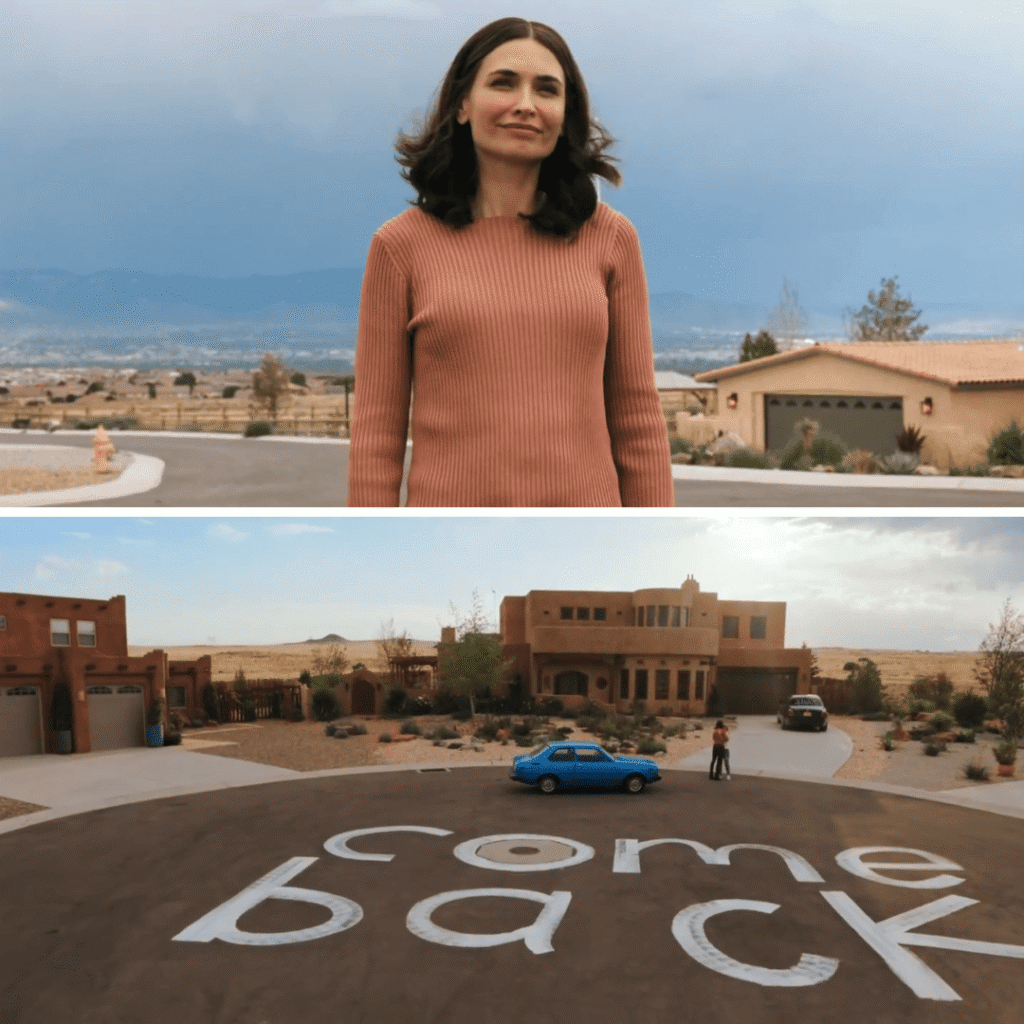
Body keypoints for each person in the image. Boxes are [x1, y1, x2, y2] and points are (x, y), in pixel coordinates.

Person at [348, 17, 674, 507]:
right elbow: (377, 436)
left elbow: (637, 421)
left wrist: (653, 537)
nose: (526, 104)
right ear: (462, 104)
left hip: (588, 536)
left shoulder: (611, 239)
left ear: (565, 114)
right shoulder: (400, 247)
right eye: (503, 83)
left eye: (547, 89)